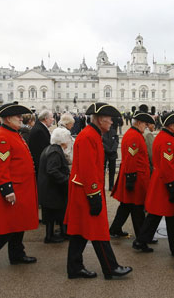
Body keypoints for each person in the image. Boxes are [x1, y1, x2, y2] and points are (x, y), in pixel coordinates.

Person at [64, 102, 132, 280]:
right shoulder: (89, 136)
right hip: (87, 191)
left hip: (84, 189)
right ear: (101, 119)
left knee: (80, 231)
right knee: (98, 230)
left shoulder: (92, 134)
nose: (112, 122)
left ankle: (75, 267)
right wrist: (94, 195)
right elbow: (88, 169)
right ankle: (110, 268)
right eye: (109, 119)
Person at [0, 102, 39, 272]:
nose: (21, 118)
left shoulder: (14, 133)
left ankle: (17, 254)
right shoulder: (3, 137)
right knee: (8, 227)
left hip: (22, 188)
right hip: (13, 189)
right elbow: (0, 166)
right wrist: (7, 189)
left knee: (19, 225)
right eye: (17, 116)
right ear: (7, 118)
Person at [133, 112, 174, 254]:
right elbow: (166, 165)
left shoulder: (165, 137)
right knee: (172, 216)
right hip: (166, 182)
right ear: (171, 125)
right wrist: (172, 186)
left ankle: (141, 240)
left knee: (155, 214)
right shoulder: (166, 141)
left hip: (161, 182)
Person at [109, 110, 154, 240]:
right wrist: (131, 178)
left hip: (134, 175)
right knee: (137, 208)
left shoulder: (135, 134)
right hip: (135, 177)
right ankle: (142, 237)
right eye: (144, 124)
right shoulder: (134, 137)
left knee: (126, 205)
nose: (145, 127)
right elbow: (131, 158)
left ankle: (115, 229)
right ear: (138, 122)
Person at [38, 127, 72, 243]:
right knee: (55, 213)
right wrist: (66, 179)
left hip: (49, 188)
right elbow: (52, 170)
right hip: (52, 189)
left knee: (52, 214)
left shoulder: (51, 149)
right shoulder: (55, 152)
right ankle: (51, 236)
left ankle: (54, 234)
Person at [29, 109, 53, 179]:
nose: (53, 119)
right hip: (40, 167)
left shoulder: (40, 127)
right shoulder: (39, 130)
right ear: (46, 119)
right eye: (51, 117)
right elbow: (42, 150)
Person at [102, 124, 119, 191]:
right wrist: (108, 150)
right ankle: (102, 185)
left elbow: (116, 141)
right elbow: (102, 142)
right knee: (103, 170)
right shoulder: (102, 131)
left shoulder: (113, 131)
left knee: (112, 171)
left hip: (113, 153)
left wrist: (113, 149)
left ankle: (111, 185)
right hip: (105, 153)